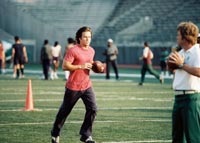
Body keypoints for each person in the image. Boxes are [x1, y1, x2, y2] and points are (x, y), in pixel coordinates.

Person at [51, 26, 97, 143]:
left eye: (89, 37)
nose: (87, 39)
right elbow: (65, 66)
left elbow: (90, 64)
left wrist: (97, 67)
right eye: (85, 37)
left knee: (93, 108)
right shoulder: (73, 50)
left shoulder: (92, 50)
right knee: (64, 111)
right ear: (79, 38)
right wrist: (80, 66)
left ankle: (86, 135)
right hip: (73, 87)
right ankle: (55, 133)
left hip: (87, 85)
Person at [168, 21, 200, 143]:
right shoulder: (181, 52)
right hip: (178, 98)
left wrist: (181, 65)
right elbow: (174, 70)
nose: (177, 37)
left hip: (191, 98)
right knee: (177, 137)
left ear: (185, 36)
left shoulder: (197, 51)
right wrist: (170, 65)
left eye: (178, 35)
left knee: (193, 137)